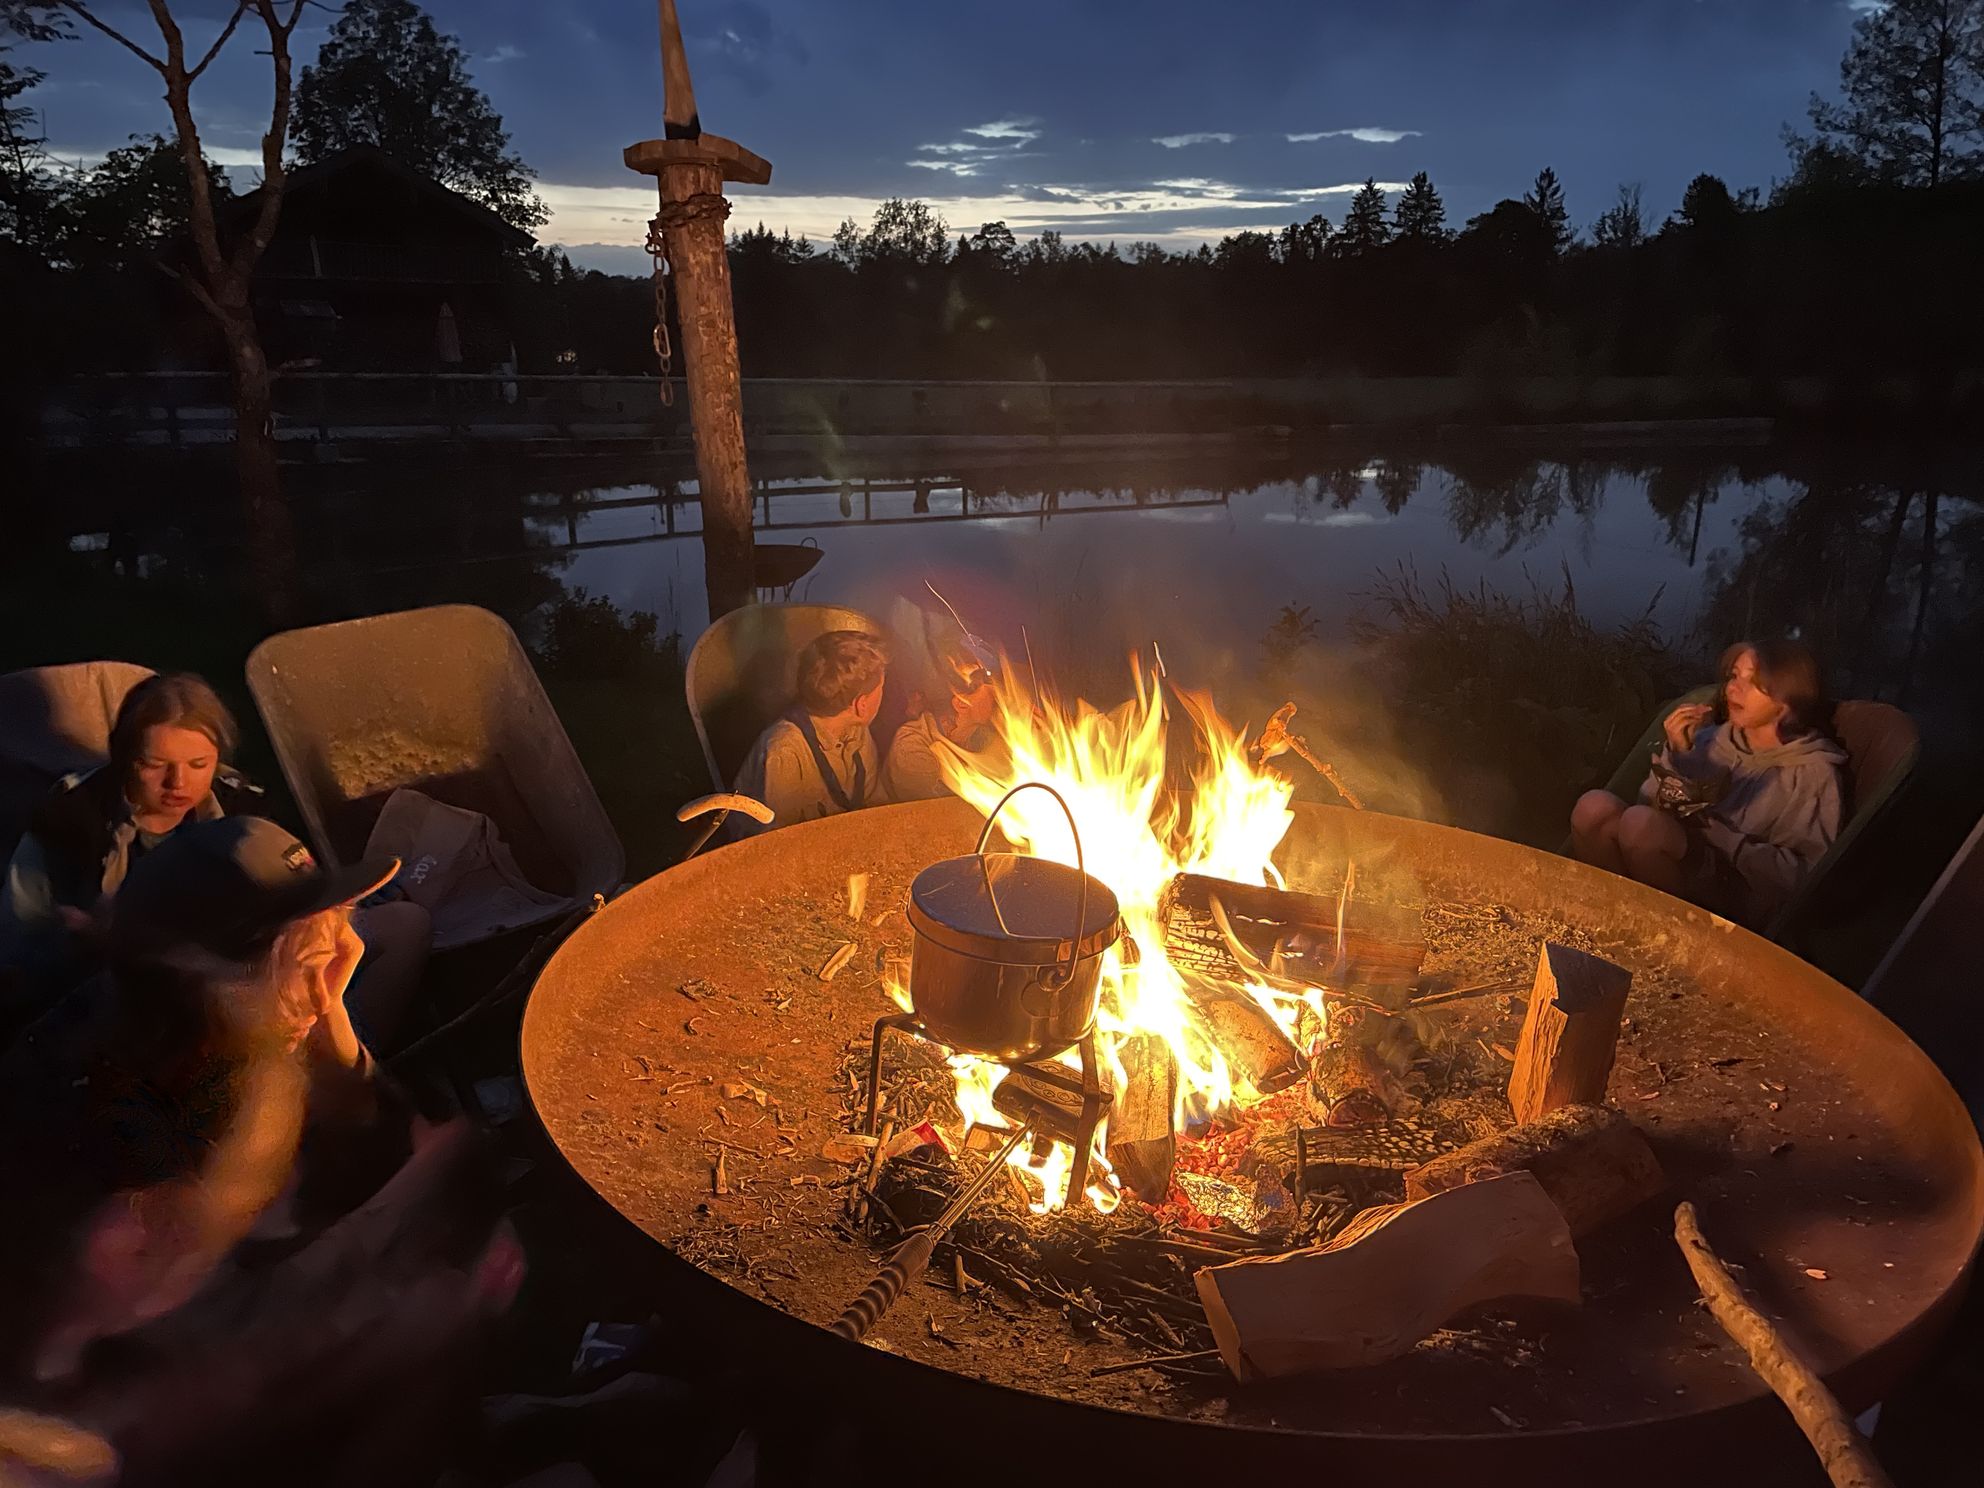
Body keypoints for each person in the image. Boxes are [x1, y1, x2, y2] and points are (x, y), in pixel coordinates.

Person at [0, 818, 516, 1481]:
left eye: (334, 929)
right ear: (209, 972)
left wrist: (329, 1022)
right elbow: (207, 1356)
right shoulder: (142, 1113)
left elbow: (368, 1156)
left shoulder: (218, 1030)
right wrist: (396, 1305)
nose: (333, 957)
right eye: (302, 951)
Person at [1, 673, 430, 1047]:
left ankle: (352, 1052)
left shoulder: (243, 804)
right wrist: (92, 938)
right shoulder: (75, 813)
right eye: (154, 764)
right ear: (124, 756)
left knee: (406, 924)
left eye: (198, 763)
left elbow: (300, 894)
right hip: (139, 992)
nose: (178, 783)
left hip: (251, 968)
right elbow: (20, 941)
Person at [1570, 639, 1847, 927]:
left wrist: (1722, 837)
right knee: (1593, 808)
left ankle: (1661, 939)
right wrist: (1677, 754)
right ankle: (1598, 922)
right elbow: (1650, 803)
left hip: (1733, 896)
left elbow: (1803, 878)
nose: (1732, 688)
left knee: (1641, 827)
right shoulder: (1709, 739)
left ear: (1786, 701)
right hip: (1672, 859)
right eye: (1734, 676)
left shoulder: (1811, 773)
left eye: (1752, 681)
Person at [733, 631, 888, 832]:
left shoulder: (856, 732)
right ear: (862, 705)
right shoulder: (784, 752)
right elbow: (778, 846)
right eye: (882, 687)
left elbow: (877, 807)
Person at [880, 633, 1003, 803]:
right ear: (961, 704)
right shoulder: (912, 752)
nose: (1001, 694)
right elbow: (943, 819)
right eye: (988, 685)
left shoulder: (980, 735)